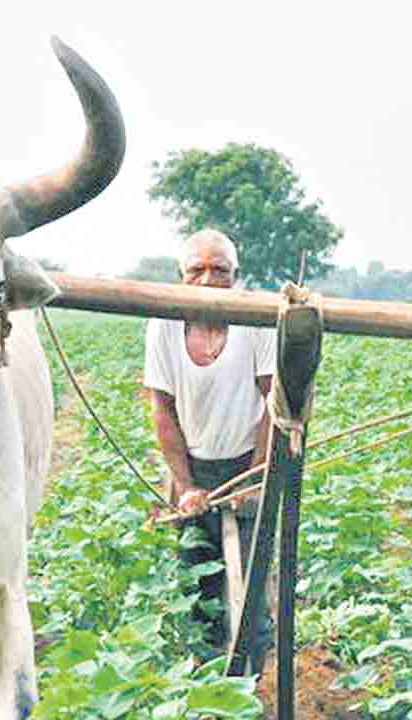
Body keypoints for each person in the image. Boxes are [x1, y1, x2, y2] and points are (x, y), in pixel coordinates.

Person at [143, 228, 275, 671]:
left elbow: (274, 407)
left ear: (235, 277)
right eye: (196, 270)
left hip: (247, 463)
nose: (207, 280)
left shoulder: (253, 322)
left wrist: (256, 476)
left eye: (219, 270)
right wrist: (184, 485)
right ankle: (204, 685)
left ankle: (248, 685)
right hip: (193, 467)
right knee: (198, 583)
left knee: (251, 592)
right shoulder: (163, 325)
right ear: (181, 277)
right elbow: (163, 410)